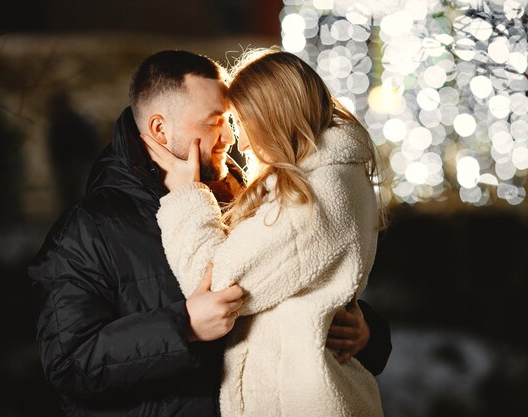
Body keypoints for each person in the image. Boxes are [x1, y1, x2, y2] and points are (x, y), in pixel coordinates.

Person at [29, 50, 391, 417]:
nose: (229, 137)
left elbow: (304, 285)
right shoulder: (89, 229)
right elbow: (69, 363)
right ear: (159, 129)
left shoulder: (245, 192)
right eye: (214, 121)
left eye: (231, 121)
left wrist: (367, 333)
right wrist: (181, 327)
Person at [144, 49, 386, 417]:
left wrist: (185, 197)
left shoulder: (314, 200)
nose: (240, 143)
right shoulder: (324, 181)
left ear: (273, 120)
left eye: (243, 126)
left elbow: (211, 285)